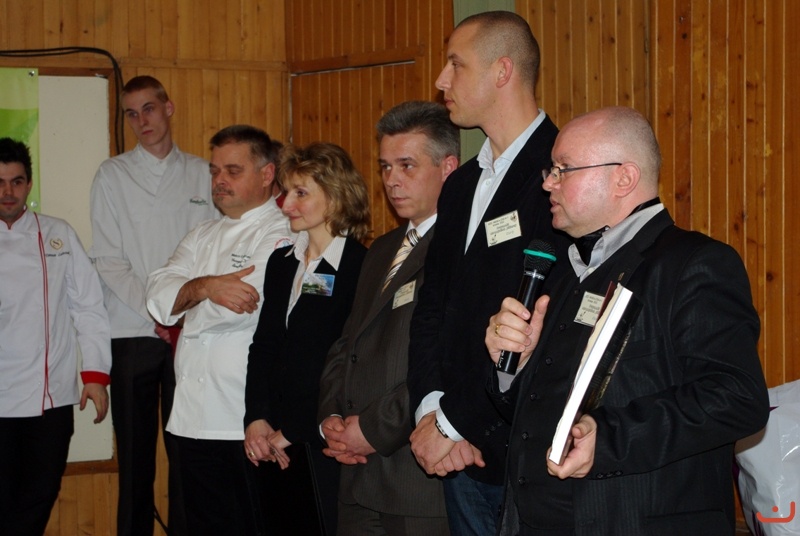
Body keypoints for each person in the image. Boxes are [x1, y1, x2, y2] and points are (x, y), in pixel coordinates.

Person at [485, 106, 770, 535]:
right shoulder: (564, 274)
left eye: (563, 169)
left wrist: (609, 439)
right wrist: (513, 369)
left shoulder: (693, 264)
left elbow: (737, 397)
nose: (548, 183)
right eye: (551, 170)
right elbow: (535, 411)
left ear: (624, 178)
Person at [406, 11, 569, 535]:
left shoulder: (560, 175)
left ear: (502, 71)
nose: (441, 81)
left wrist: (454, 423)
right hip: (457, 451)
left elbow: (546, 321)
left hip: (520, 453)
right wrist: (431, 411)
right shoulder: (460, 185)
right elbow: (432, 307)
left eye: (455, 64)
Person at [317, 101, 459, 535]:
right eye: (385, 167)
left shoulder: (461, 248)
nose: (392, 179)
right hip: (357, 474)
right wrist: (330, 419)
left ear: (448, 168)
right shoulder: (381, 249)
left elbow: (450, 360)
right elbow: (347, 344)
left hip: (414, 481)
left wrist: (373, 430)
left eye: (406, 165)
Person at [145, 125, 293, 536]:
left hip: (243, 416)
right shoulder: (202, 233)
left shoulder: (283, 229)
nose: (219, 181)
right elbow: (157, 298)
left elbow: (247, 307)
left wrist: (186, 302)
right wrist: (208, 287)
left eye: (232, 170)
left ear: (267, 173)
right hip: (190, 416)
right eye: (214, 171)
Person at [88, 75, 218, 536]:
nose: (141, 120)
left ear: (168, 108)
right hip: (133, 332)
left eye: (149, 108)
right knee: (134, 462)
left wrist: (179, 315)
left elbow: (213, 253)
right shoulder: (112, 175)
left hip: (190, 333)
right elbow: (108, 260)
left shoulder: (203, 173)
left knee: (187, 454)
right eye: (132, 113)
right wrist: (158, 313)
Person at [243, 142, 371, 536]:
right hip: (272, 437)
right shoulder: (281, 263)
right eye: (286, 192)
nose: (286, 205)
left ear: (335, 196)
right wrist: (256, 419)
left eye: (301, 193)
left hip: (322, 438)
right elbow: (264, 346)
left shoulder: (361, 265)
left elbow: (344, 361)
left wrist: (295, 430)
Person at [0, 137, 111, 536]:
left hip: (51, 398)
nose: (8, 191)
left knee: (40, 494)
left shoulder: (57, 235)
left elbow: (89, 307)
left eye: (16, 181)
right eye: (0, 182)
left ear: (29, 184)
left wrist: (95, 375)